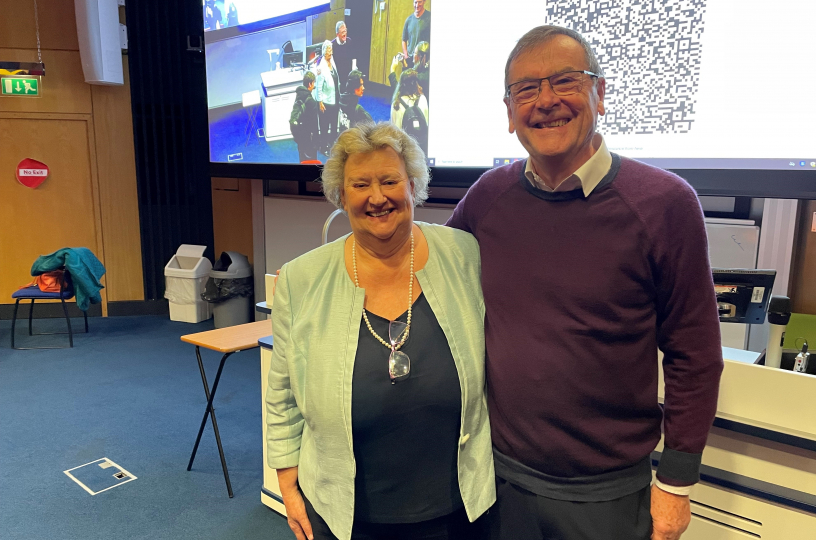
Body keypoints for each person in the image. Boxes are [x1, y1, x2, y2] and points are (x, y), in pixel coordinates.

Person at [446, 25, 724, 540]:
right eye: (526, 90)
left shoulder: (665, 204)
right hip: (496, 478)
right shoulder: (487, 198)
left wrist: (677, 484)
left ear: (600, 92)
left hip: (607, 495)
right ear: (509, 113)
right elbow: (431, 280)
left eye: (565, 81)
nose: (546, 100)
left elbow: (695, 352)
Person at [266, 122, 495, 540]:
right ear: (340, 195)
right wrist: (286, 479)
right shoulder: (302, 279)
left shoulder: (464, 255)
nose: (377, 197)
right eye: (360, 185)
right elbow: (282, 391)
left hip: (458, 509)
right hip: (345, 515)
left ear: (412, 186)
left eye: (390, 181)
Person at [390, 69, 428, 153]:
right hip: (421, 148)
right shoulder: (423, 99)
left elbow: (395, 132)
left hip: (406, 151)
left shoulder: (396, 105)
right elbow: (427, 123)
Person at [313, 40, 340, 156]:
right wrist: (320, 102)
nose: (331, 53)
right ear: (324, 53)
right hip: (325, 103)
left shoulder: (332, 62)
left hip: (335, 99)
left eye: (331, 51)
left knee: (334, 125)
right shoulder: (320, 67)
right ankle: (323, 147)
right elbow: (318, 87)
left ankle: (332, 144)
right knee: (324, 126)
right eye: (329, 52)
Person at [289, 71, 318, 162]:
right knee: (310, 163)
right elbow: (314, 124)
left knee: (302, 160)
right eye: (314, 83)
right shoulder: (311, 102)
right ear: (310, 84)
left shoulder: (299, 95)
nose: (314, 85)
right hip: (309, 138)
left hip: (300, 137)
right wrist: (316, 141)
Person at [331, 21, 357, 90]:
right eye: (342, 32)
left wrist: (353, 71)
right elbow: (324, 58)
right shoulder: (333, 45)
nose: (344, 34)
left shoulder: (349, 41)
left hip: (349, 76)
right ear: (337, 34)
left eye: (345, 31)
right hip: (338, 78)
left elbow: (353, 57)